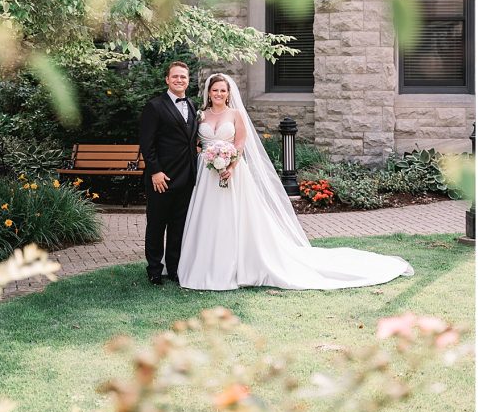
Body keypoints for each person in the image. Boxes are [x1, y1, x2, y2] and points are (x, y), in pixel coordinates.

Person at [177, 73, 413, 291]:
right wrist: (210, 158)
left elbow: (239, 144)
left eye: (223, 90)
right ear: (209, 92)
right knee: (207, 218)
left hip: (234, 174)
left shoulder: (236, 115)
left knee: (234, 217)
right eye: (215, 90)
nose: (218, 94)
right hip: (207, 174)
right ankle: (205, 265)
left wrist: (230, 165)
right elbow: (196, 143)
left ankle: (236, 266)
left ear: (229, 93)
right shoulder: (201, 115)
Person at [138, 60, 198, 285]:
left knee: (178, 226)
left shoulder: (192, 105)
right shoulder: (154, 106)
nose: (179, 80)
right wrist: (155, 171)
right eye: (175, 76)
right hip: (161, 179)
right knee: (156, 224)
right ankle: (154, 269)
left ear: (188, 80)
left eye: (183, 77)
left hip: (186, 177)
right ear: (167, 79)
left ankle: (174, 268)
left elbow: (190, 141)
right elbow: (147, 143)